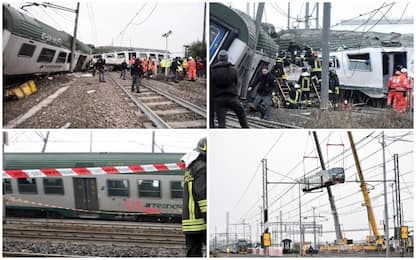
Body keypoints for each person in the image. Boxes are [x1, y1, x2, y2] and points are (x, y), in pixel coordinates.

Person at [181, 137, 207, 257]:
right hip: (199, 219)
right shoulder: (202, 168)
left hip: (189, 221)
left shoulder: (190, 168)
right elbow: (202, 197)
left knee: (193, 253)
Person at [211, 50, 249, 128]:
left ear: (219, 58)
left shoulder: (213, 70)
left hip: (218, 99)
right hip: (232, 97)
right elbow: (237, 83)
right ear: (227, 58)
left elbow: (211, 85)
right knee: (241, 114)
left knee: (221, 122)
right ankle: (246, 129)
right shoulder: (233, 70)